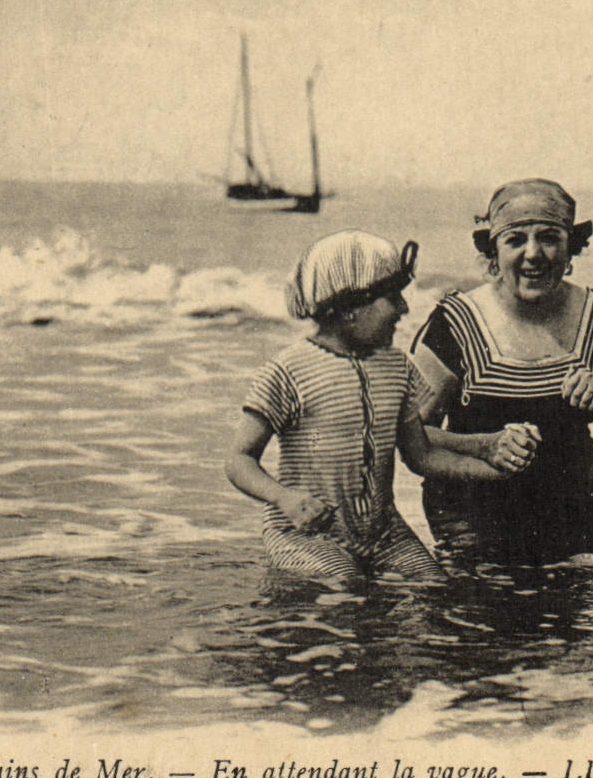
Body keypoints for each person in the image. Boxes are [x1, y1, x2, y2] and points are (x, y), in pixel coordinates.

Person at [225, 230, 530, 584]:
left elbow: (422, 456)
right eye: (391, 297)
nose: (403, 308)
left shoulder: (397, 368)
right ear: (350, 308)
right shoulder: (287, 371)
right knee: (346, 588)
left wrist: (497, 469)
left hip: (384, 533)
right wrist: (285, 499)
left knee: (438, 589)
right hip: (304, 533)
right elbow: (239, 459)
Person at [409, 178, 593, 572]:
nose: (533, 254)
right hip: (473, 508)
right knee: (501, 616)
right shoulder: (456, 322)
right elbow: (406, 437)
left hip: (576, 502)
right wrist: (484, 445)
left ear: (571, 246)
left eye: (550, 238)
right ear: (494, 251)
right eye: (515, 240)